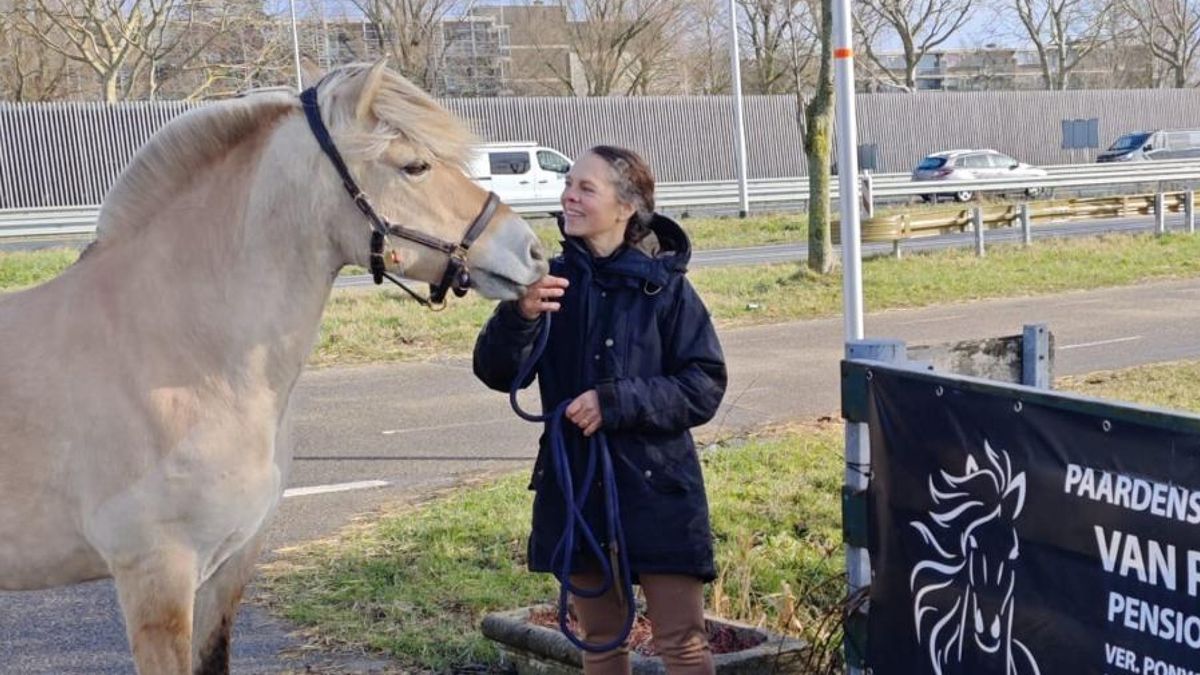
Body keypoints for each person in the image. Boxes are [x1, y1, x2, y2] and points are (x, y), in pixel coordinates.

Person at [473, 145, 727, 675]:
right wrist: (519, 315)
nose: (569, 195)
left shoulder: (667, 289)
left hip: (659, 486)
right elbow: (497, 372)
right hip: (577, 485)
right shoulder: (549, 283)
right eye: (570, 184)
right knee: (601, 641)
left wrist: (616, 402)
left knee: (681, 641)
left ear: (626, 206)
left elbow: (704, 384)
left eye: (587, 188)